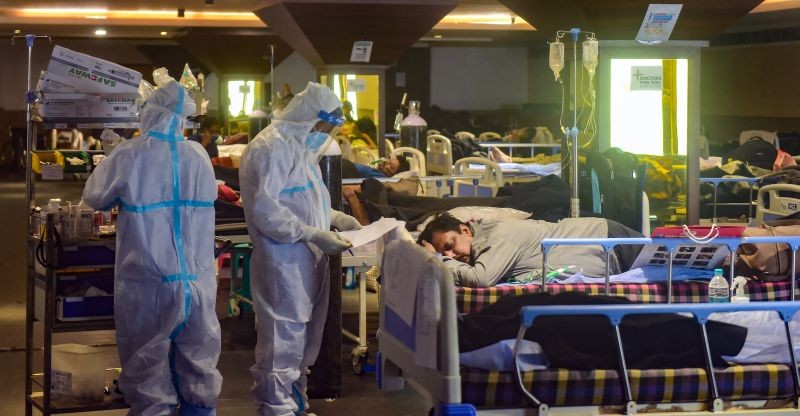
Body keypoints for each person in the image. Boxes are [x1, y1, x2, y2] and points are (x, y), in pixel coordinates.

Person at [82, 76, 222, 415]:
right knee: (198, 366)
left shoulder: (131, 153)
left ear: (149, 113)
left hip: (149, 281)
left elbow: (95, 198)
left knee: (147, 371)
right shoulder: (199, 155)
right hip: (197, 282)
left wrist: (112, 157)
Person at [239, 82, 362, 416]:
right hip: (284, 260)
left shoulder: (301, 149)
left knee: (305, 337)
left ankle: (293, 403)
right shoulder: (270, 148)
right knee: (283, 338)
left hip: (309, 256)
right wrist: (314, 233)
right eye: (323, 126)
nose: (324, 134)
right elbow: (266, 212)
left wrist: (337, 218)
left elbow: (307, 199)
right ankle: (274, 407)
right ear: (307, 117)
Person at [417, 213, 642, 287]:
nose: (451, 255)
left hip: (609, 243)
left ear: (465, 230)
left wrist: (437, 261)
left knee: (675, 261)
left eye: (449, 246)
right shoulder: (482, 249)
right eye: (443, 254)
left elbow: (481, 279)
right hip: (607, 251)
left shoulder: (498, 237)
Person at [340, 155, 410, 179]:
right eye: (389, 161)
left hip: (348, 170)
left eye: (391, 167)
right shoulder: (378, 171)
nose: (387, 165)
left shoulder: (382, 178)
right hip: (348, 167)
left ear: (395, 174)